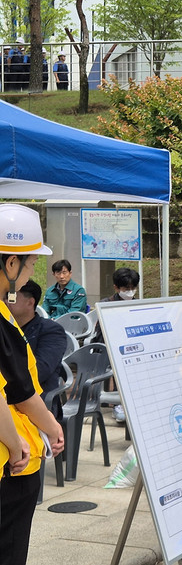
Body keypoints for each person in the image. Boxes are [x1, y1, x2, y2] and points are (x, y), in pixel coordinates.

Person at [0, 204, 65, 565]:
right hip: (9, 464)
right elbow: (19, 391)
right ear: (11, 263)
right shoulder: (2, 318)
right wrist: (16, 443)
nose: (30, 274)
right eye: (30, 264)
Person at [5, 280, 67, 419]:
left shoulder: (51, 331)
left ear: (30, 302)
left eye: (11, 298)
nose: (5, 302)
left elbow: (40, 371)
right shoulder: (5, 329)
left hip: (38, 401)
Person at [91, 266, 141, 423]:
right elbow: (102, 333)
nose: (130, 292)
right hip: (109, 347)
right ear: (116, 288)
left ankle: (135, 401)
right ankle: (119, 403)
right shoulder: (106, 305)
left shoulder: (138, 304)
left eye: (133, 288)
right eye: (126, 288)